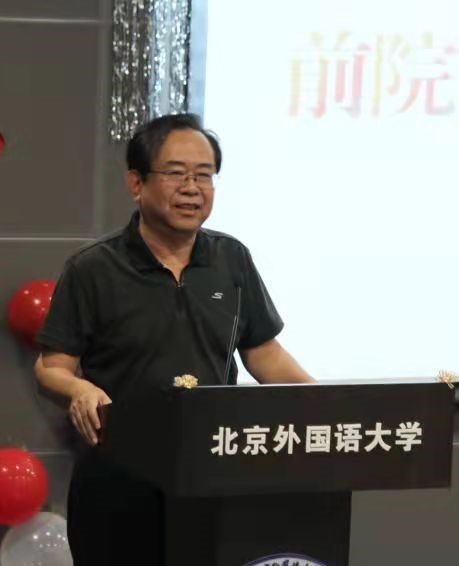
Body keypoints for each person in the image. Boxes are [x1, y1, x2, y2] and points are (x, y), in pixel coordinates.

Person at [34, 113, 313, 564]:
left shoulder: (231, 259)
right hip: (119, 481)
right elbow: (51, 367)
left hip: (211, 475)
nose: (192, 188)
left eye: (204, 175)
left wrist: (325, 403)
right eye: (176, 173)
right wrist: (78, 388)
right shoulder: (94, 268)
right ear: (136, 183)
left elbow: (264, 354)